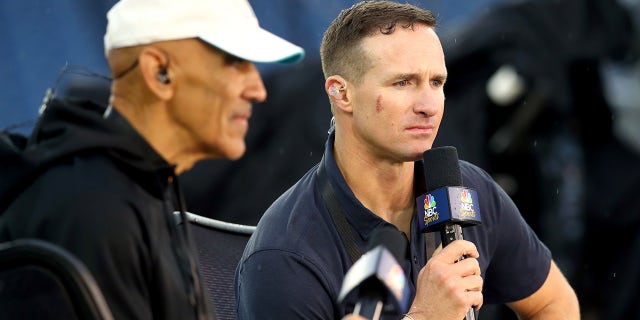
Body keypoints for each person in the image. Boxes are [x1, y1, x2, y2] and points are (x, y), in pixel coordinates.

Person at [234, 1, 579, 319]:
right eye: (403, 82)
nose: (429, 105)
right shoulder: (286, 254)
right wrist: (424, 316)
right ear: (342, 93)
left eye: (436, 82)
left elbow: (554, 303)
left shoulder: (468, 190)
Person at [0, 0, 303, 319]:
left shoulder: (133, 187)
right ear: (159, 71)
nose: (258, 90)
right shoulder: (97, 209)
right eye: (235, 63)